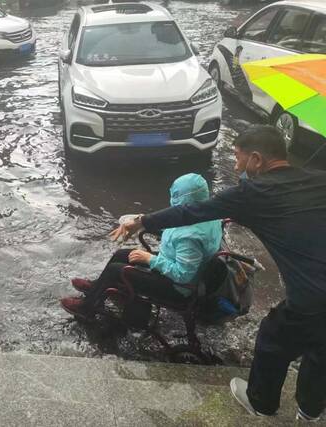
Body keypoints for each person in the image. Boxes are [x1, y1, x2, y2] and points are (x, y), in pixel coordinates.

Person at [112, 125, 326, 422]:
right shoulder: (319, 180)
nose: (236, 166)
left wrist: (143, 221)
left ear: (257, 159)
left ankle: (260, 403)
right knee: (320, 348)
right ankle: (311, 409)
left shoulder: (253, 193)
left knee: (273, 337)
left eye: (238, 158)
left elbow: (192, 211)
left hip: (313, 294)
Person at [60, 173, 222, 319]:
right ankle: (97, 288)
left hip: (177, 288)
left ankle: (87, 308)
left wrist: (150, 259)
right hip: (176, 262)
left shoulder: (190, 237)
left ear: (183, 199)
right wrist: (142, 222)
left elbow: (183, 275)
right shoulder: (204, 213)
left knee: (116, 269)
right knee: (122, 254)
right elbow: (173, 223)